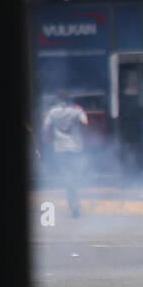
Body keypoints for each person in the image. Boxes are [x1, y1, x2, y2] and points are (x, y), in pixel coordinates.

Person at [42, 89, 88, 218]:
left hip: (60, 149)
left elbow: (46, 127)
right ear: (69, 100)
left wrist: (47, 140)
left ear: (58, 100)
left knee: (67, 177)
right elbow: (85, 122)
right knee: (74, 176)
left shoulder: (52, 112)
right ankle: (74, 204)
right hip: (75, 148)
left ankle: (72, 204)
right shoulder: (76, 111)